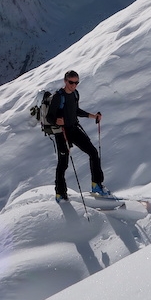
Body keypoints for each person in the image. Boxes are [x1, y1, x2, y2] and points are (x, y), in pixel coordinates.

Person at [45, 70, 117, 202]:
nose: (74, 85)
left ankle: (96, 185)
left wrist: (93, 116)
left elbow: (76, 111)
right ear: (65, 81)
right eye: (71, 82)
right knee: (63, 163)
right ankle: (60, 193)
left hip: (74, 129)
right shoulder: (58, 96)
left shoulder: (75, 94)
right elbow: (48, 116)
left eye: (76, 82)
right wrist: (56, 121)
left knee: (93, 153)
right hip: (61, 133)